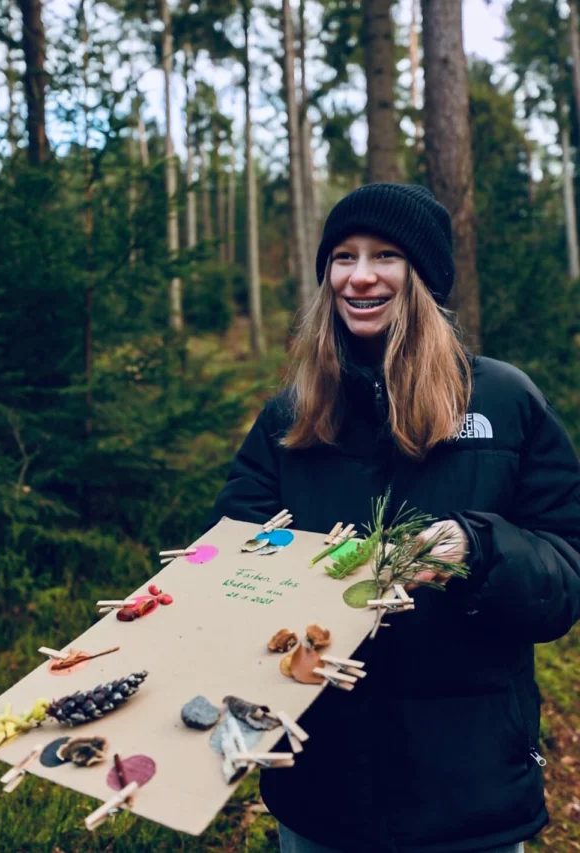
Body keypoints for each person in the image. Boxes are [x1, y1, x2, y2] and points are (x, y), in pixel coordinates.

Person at [207, 183, 580, 853]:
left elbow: (566, 570)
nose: (360, 276)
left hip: (468, 793)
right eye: (343, 256)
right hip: (322, 789)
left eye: (385, 255)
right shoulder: (290, 416)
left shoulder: (503, 401)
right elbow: (229, 559)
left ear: (424, 275)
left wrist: (479, 550)